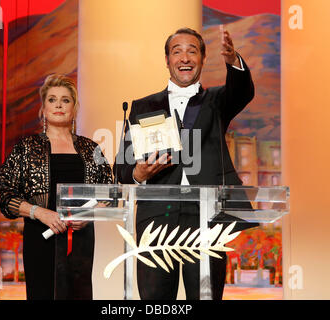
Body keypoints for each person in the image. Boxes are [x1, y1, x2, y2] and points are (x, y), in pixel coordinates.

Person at [114, 27, 258, 300]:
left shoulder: (217, 101)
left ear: (203, 59)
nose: (185, 57)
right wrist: (138, 173)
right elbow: (122, 168)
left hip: (207, 217)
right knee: (155, 300)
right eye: (176, 51)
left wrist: (233, 61)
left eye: (192, 51)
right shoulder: (143, 106)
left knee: (205, 296)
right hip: (156, 217)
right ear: (166, 60)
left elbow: (242, 91)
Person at [0, 74, 113, 300]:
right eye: (52, 99)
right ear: (44, 108)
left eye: (65, 100)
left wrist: (89, 214)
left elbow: (110, 191)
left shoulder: (92, 149)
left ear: (74, 108)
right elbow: (4, 195)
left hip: (80, 242)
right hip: (41, 239)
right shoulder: (26, 148)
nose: (58, 104)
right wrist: (39, 212)